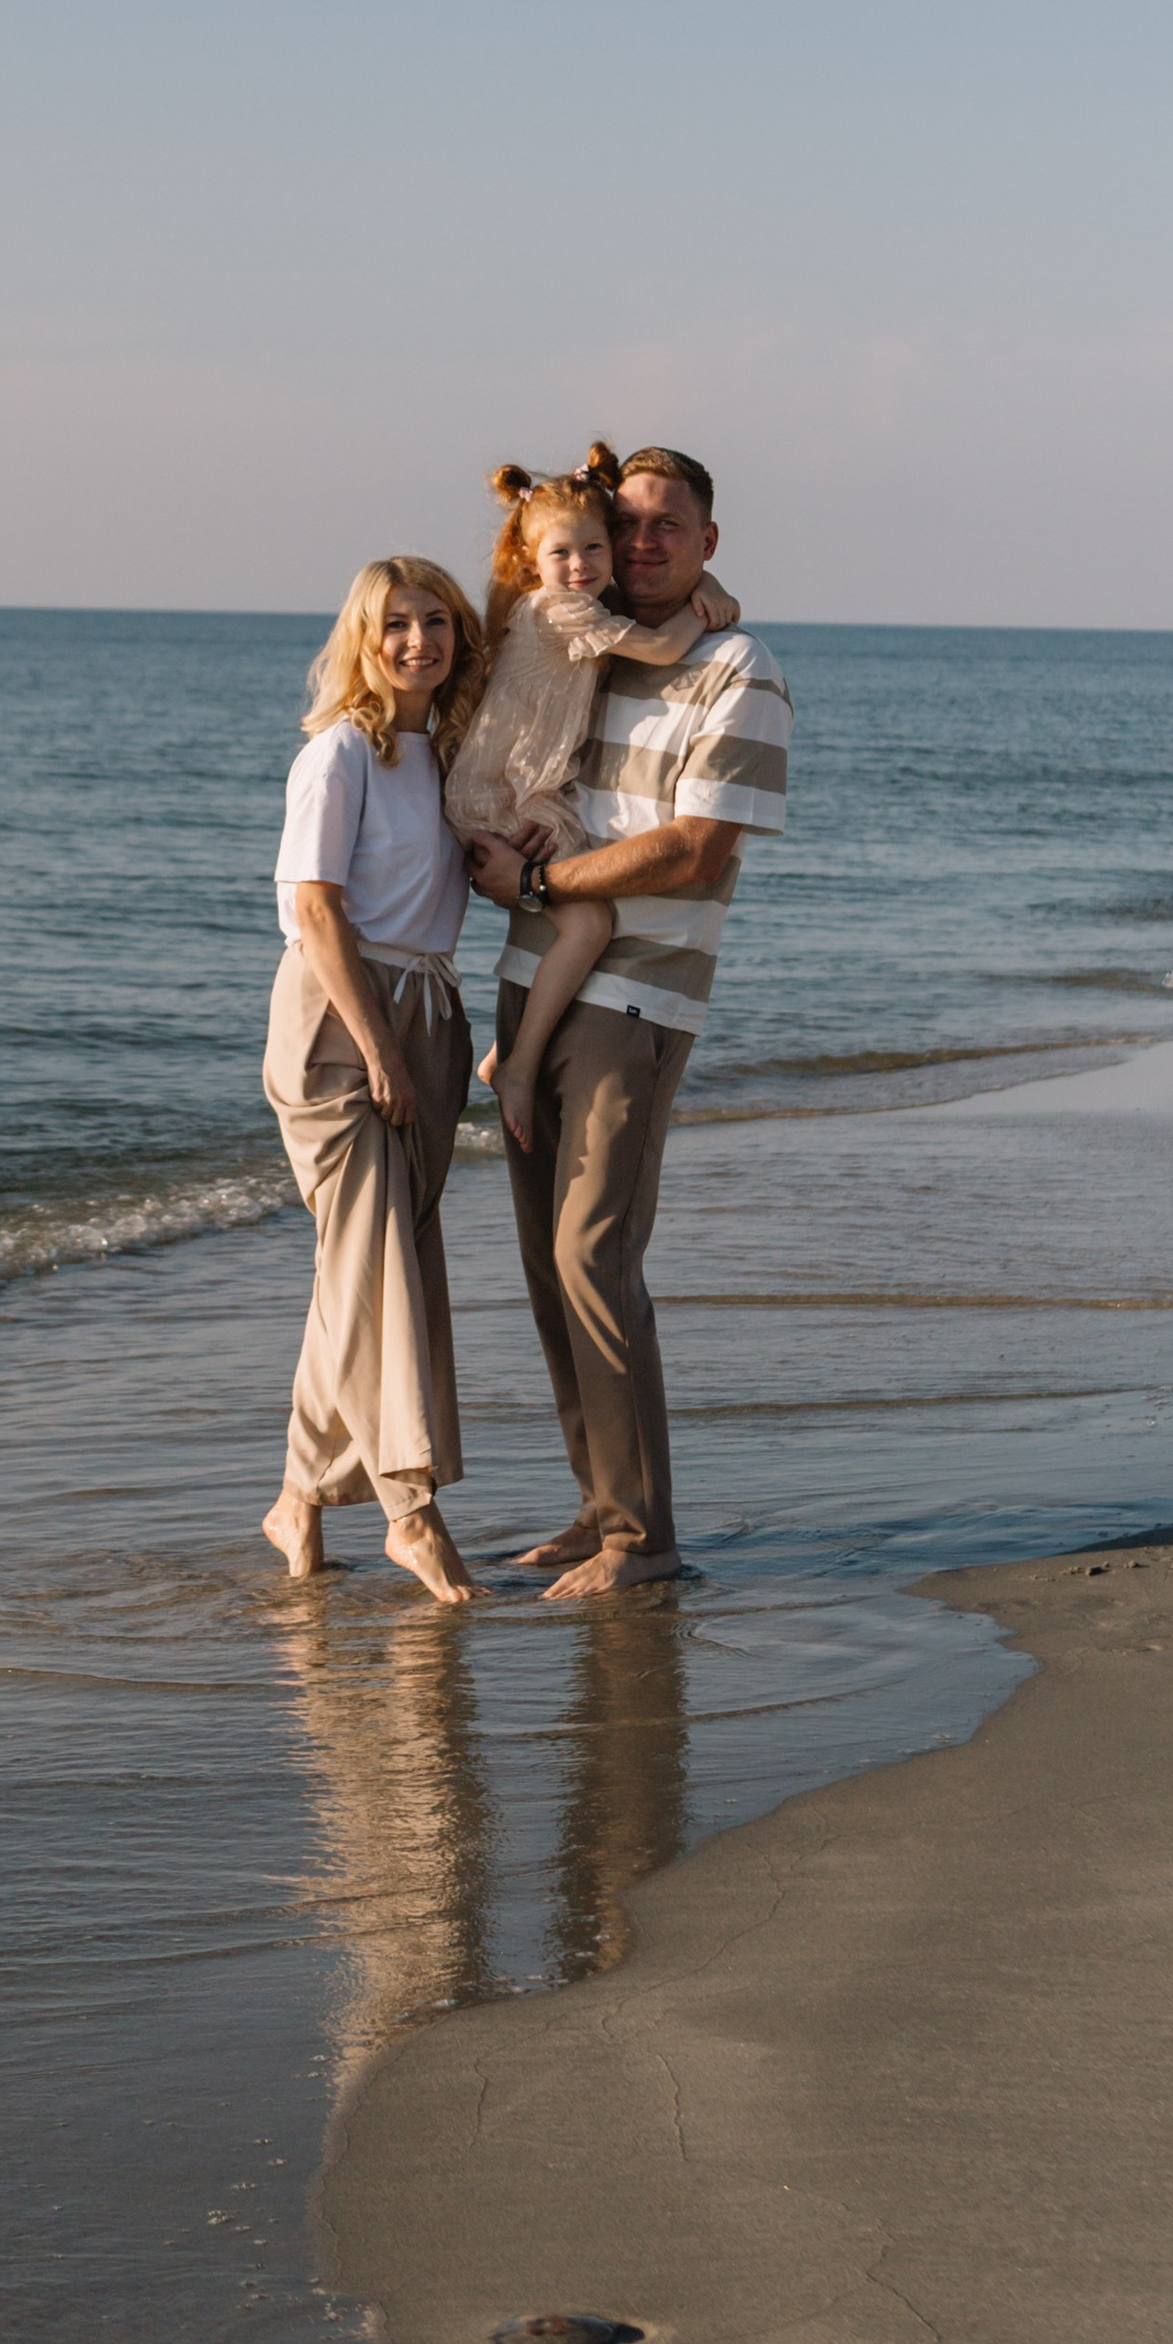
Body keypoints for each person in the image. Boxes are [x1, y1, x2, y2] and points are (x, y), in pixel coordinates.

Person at [463, 447, 790, 1602]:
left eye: (668, 526)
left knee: (591, 1255)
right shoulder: (589, 638)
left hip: (635, 991)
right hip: (529, 975)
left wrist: (539, 886)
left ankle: (644, 1541)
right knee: (544, 1263)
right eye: (629, 524)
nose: (643, 543)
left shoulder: (738, 668)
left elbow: (695, 848)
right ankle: (600, 1507)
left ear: (707, 540)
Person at [262, 555, 489, 1606]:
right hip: (341, 1021)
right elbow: (316, 911)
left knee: (357, 1272)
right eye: (395, 623)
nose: (417, 641)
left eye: (435, 620)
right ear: (363, 637)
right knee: (377, 1266)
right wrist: (382, 1051)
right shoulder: (340, 753)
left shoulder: (449, 757)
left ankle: (297, 1498)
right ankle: (410, 1511)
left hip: (428, 1011)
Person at [444, 446, 738, 1153]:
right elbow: (662, 648)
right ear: (531, 561)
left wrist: (706, 575)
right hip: (503, 795)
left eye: (594, 547)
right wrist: (707, 604)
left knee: (581, 917)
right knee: (591, 922)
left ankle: (511, 1048)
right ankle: (516, 1064)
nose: (580, 565)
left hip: (509, 787)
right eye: (561, 553)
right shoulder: (558, 609)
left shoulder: (574, 605)